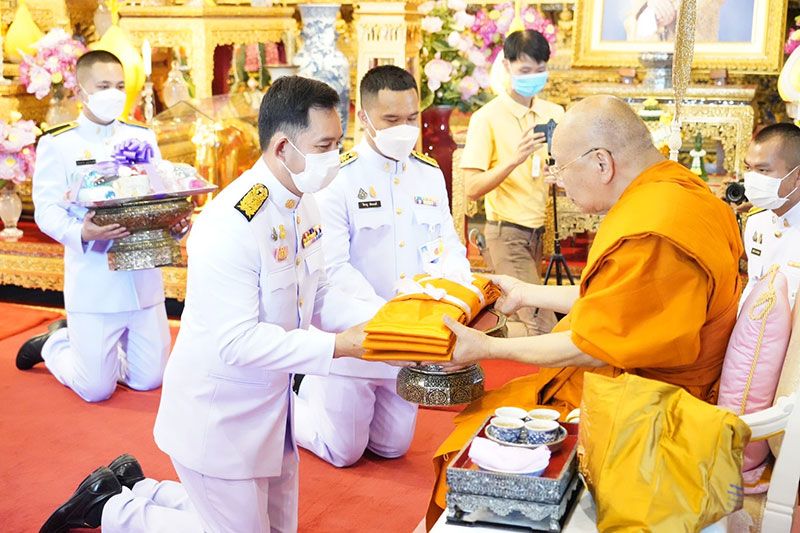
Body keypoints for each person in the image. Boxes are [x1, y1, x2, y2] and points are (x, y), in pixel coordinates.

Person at [40, 76, 391, 533]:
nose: (334, 158)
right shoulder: (232, 222)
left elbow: (317, 293)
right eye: (325, 145)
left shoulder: (303, 204)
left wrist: (385, 320)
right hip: (219, 417)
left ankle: (141, 488)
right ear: (284, 148)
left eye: (338, 142)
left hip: (270, 409)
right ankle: (111, 509)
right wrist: (339, 346)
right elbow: (237, 342)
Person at [426, 95, 743, 525]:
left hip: (653, 405)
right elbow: (621, 302)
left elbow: (596, 345)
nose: (556, 181)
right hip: (636, 377)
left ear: (601, 163)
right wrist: (527, 292)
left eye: (559, 166)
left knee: (473, 443)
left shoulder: (656, 228)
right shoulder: (678, 192)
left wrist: (485, 347)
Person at [294, 65, 471, 467]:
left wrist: (454, 298)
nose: (404, 129)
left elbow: (447, 246)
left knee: (392, 448)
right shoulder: (337, 179)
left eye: (412, 118)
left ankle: (315, 391)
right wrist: (394, 322)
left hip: (410, 343)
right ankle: (292, 397)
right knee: (344, 452)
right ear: (364, 117)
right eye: (391, 120)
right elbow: (333, 270)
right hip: (357, 334)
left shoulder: (427, 175)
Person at [16, 50, 187, 402]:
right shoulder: (59, 143)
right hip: (94, 282)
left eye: (120, 85)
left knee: (149, 380)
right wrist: (82, 232)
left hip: (141, 281)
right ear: (81, 91)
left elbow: (157, 196)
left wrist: (176, 222)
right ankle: (55, 342)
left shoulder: (142, 137)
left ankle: (103, 357)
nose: (114, 92)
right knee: (95, 390)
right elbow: (46, 210)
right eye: (104, 85)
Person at [460, 29, 563, 337]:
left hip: (538, 232)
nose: (533, 77)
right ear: (506, 67)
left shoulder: (553, 112)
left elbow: (562, 166)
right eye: (524, 71)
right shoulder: (486, 117)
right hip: (506, 233)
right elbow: (472, 188)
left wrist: (560, 175)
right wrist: (514, 160)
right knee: (543, 323)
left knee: (528, 323)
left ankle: (530, 382)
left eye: (540, 70)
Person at [740, 123, 800, 308]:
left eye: (763, 170)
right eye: (748, 168)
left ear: (797, 176)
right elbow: (753, 284)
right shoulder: (755, 221)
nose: (751, 177)